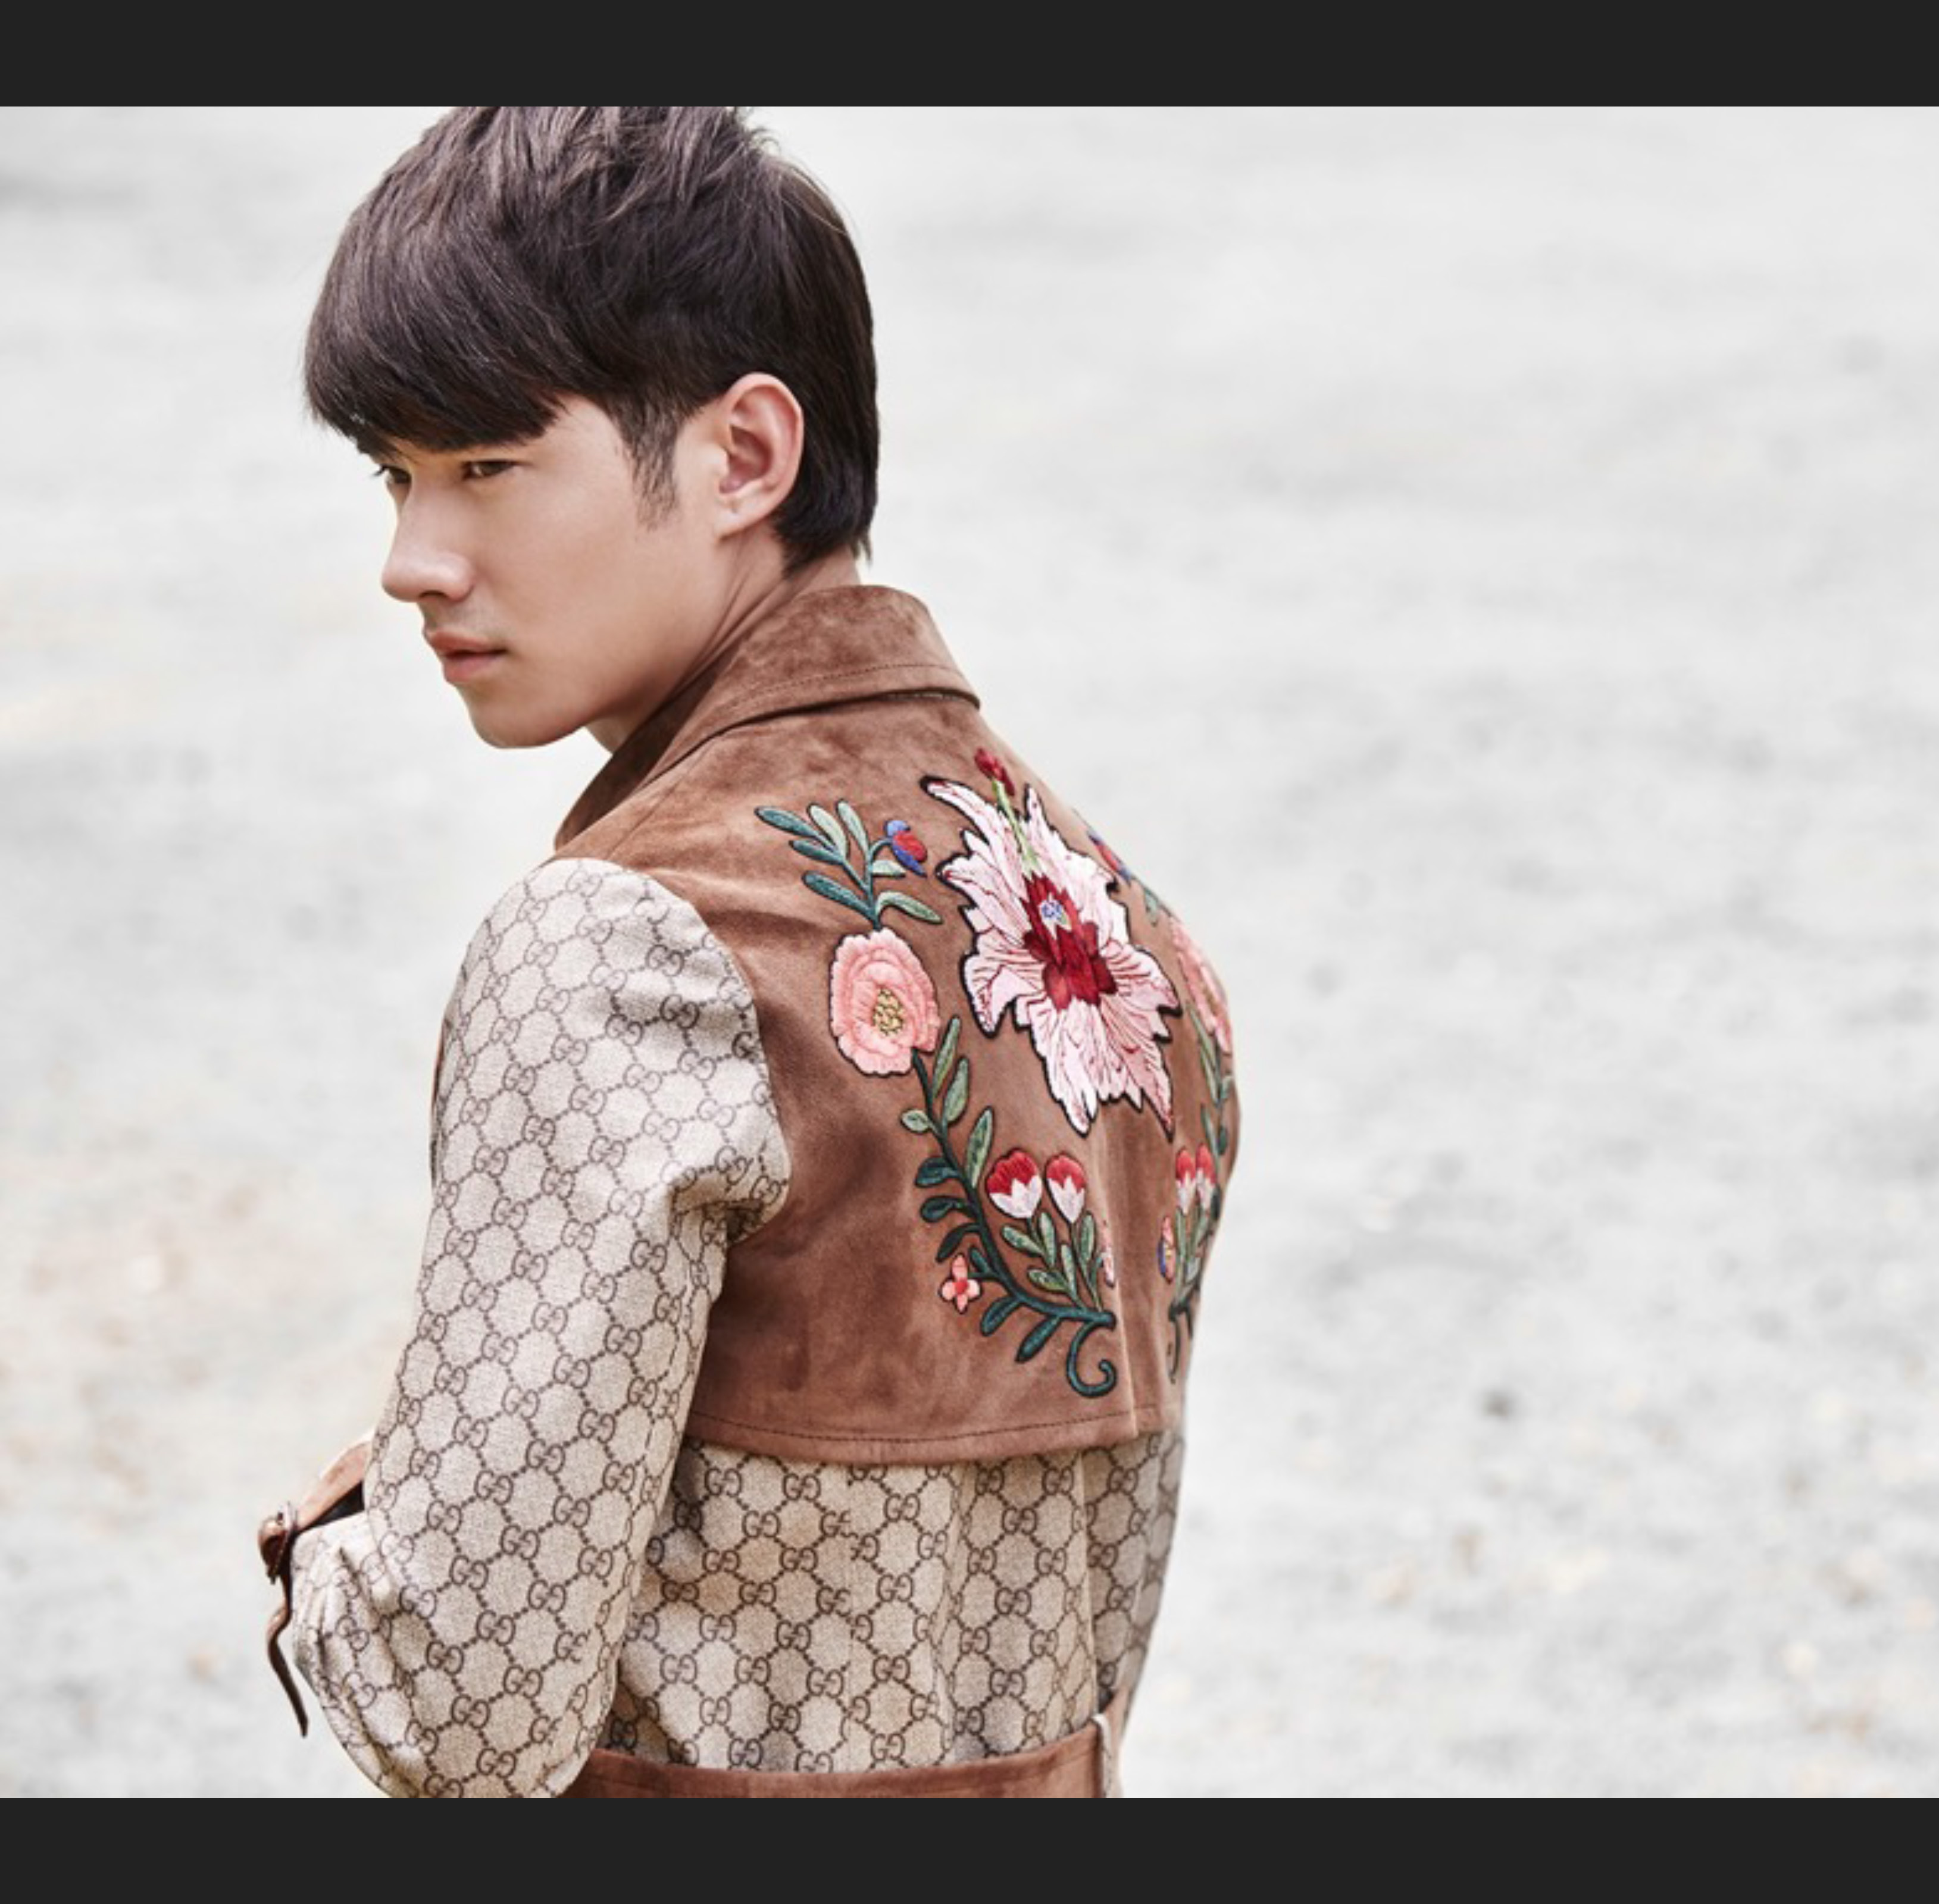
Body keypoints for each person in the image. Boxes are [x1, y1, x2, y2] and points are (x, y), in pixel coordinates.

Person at [252, 106, 1243, 1800]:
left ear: (743, 457)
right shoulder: (1108, 930)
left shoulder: (627, 945)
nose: (412, 560)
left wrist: (335, 1542)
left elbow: (460, 1711)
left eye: (486, 466)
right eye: (394, 476)